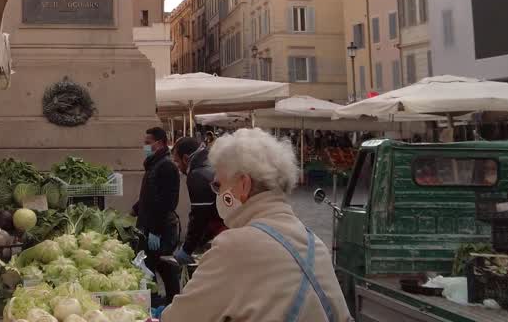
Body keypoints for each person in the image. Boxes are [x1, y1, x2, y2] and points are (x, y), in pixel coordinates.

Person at [162, 128, 352, 322]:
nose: (217, 193)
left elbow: (177, 318)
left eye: (219, 185)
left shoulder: (234, 246)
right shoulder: (316, 244)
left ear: (244, 185)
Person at [133, 126, 181, 305]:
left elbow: (167, 202)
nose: (145, 146)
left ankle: (170, 300)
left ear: (159, 143)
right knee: (152, 265)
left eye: (148, 143)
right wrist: (135, 210)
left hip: (160, 228)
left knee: (162, 265)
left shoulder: (166, 166)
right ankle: (159, 300)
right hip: (150, 225)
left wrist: (156, 230)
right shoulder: (154, 164)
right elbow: (149, 195)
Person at [172, 136, 224, 267]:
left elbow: (199, 216)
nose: (178, 167)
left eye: (177, 162)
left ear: (185, 158)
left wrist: (187, 249)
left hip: (225, 230)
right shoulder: (212, 163)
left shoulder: (197, 175)